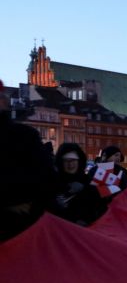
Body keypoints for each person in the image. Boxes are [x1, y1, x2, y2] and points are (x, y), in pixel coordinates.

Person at [0, 80, 56, 241]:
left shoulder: (24, 135)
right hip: (23, 229)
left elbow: (47, 180)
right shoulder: (24, 135)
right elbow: (48, 180)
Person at [49, 143, 104, 225]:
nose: (70, 164)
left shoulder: (88, 182)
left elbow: (99, 209)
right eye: (66, 160)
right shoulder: (52, 182)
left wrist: (85, 189)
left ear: (79, 161)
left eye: (73, 160)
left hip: (83, 233)